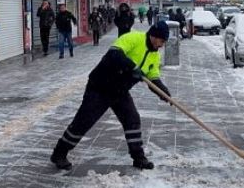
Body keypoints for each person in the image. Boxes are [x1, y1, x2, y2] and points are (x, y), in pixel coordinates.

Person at [50, 21, 173, 171]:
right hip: (100, 86)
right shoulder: (133, 38)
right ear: (154, 36)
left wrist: (163, 92)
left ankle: (138, 157)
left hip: (120, 91)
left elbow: (153, 77)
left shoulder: (154, 55)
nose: (162, 45)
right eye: (161, 41)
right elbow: (114, 54)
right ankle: (59, 153)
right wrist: (131, 67)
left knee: (132, 120)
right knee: (83, 122)